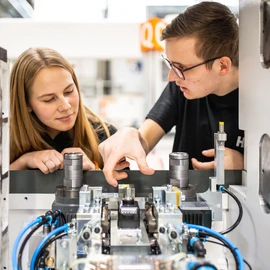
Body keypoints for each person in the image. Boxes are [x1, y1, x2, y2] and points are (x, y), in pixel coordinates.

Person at [99, 1, 244, 187]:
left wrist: (245, 165)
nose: (172, 77)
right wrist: (130, 135)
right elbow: (144, 139)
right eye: (171, 65)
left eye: (182, 67)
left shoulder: (262, 98)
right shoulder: (182, 88)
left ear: (222, 66)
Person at [10, 47, 129, 174]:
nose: (66, 106)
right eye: (49, 99)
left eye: (69, 91)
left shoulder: (105, 135)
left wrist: (94, 173)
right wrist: (23, 162)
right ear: (26, 103)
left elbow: (127, 189)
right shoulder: (6, 140)